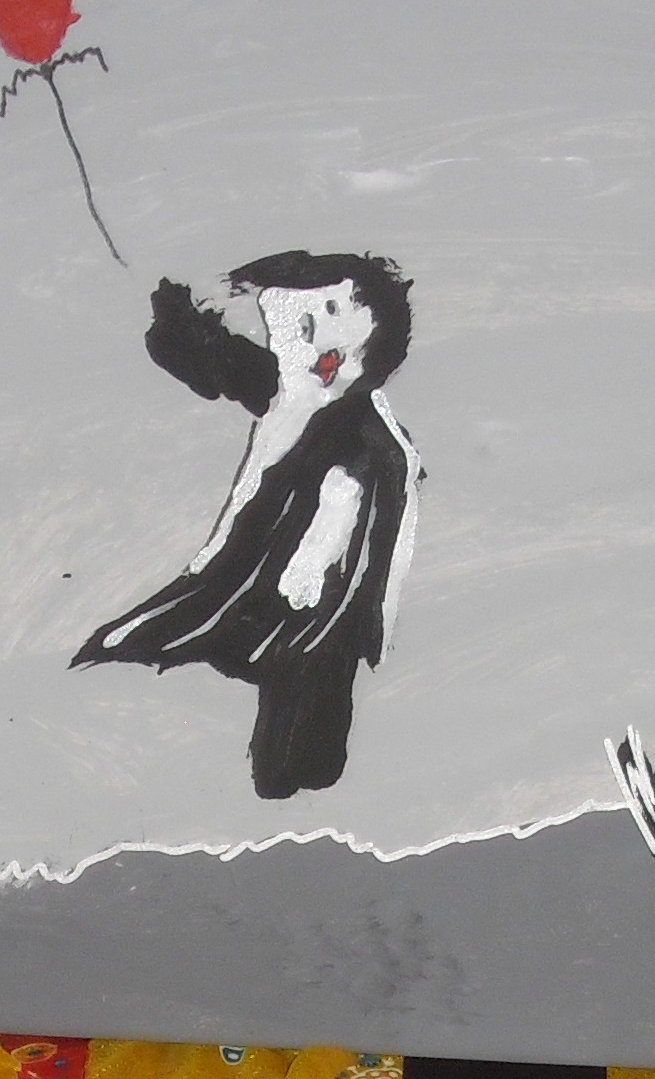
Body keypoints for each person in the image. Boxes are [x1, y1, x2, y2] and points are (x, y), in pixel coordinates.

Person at [75, 251, 421, 798]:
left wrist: (313, 559)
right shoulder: (294, 385)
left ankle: (301, 773)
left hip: (316, 594)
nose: (308, 326)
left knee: (309, 673)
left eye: (332, 309)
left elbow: (351, 496)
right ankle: (292, 770)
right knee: (258, 656)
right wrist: (172, 309)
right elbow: (212, 361)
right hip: (250, 576)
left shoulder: (363, 432)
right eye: (298, 313)